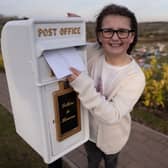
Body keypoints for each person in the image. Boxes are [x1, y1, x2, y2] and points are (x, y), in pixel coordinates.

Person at [67, 4, 145, 168]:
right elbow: (76, 45)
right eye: (108, 31)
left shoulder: (135, 77)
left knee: (111, 162)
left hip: (113, 138)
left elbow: (112, 115)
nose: (115, 38)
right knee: (92, 161)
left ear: (131, 37)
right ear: (100, 36)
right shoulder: (92, 52)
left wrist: (82, 84)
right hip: (88, 133)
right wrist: (74, 27)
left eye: (122, 31)